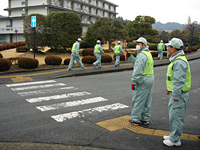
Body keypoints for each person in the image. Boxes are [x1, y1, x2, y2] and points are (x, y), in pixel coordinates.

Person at [163, 38, 191, 147]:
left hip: (179, 95)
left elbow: (179, 81)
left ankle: (175, 140)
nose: (167, 49)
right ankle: (173, 135)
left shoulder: (179, 62)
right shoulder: (176, 59)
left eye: (168, 47)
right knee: (173, 116)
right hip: (176, 93)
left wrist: (175, 94)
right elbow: (173, 78)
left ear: (173, 49)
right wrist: (169, 88)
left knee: (177, 117)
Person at [126, 37, 154, 126]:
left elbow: (137, 70)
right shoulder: (147, 53)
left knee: (138, 100)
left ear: (144, 45)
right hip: (150, 79)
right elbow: (139, 63)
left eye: (139, 43)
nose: (137, 45)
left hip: (142, 80)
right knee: (146, 100)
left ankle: (135, 119)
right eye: (137, 43)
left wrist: (134, 82)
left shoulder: (141, 55)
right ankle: (145, 119)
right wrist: (130, 57)